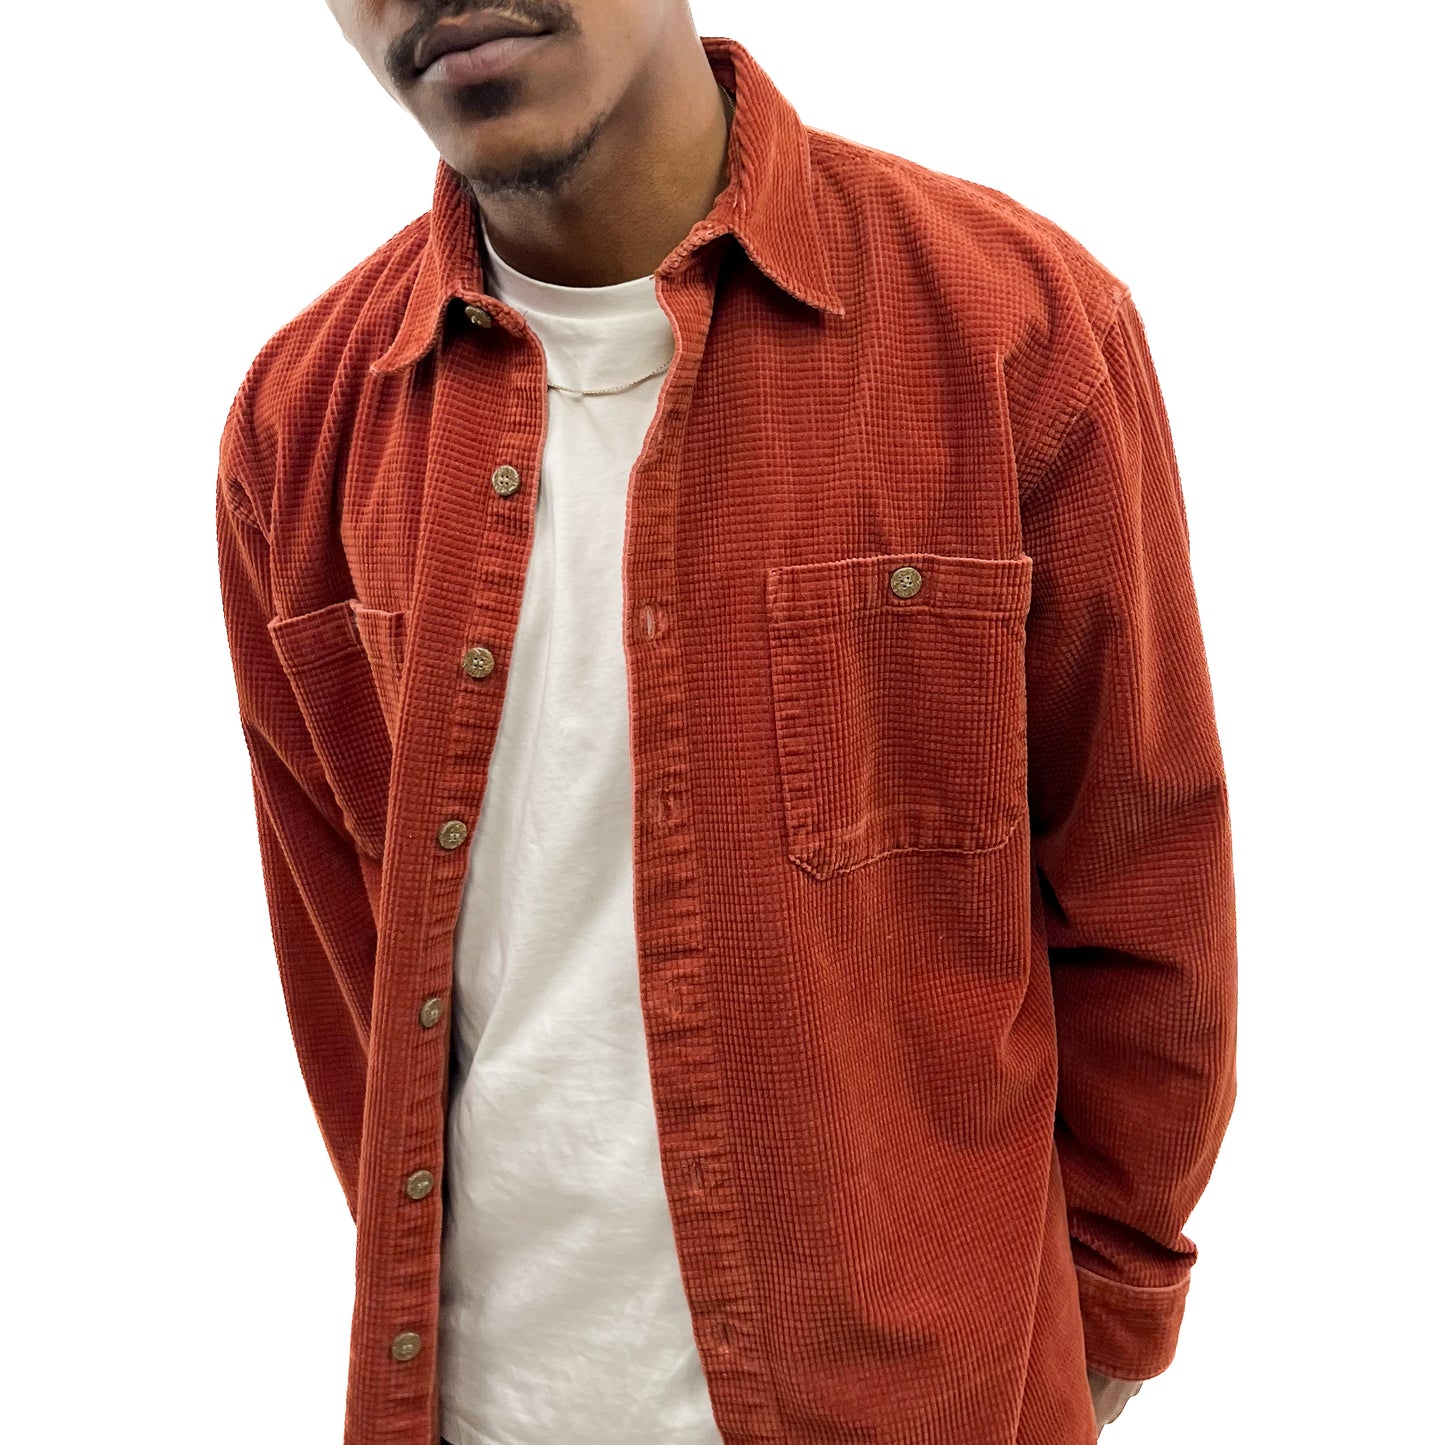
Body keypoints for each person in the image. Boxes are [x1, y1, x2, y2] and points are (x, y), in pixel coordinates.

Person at [214, 4, 1238, 1443]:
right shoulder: (301, 422)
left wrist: (1105, 1317)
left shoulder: (1012, 327)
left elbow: (1146, 880)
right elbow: (346, 968)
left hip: (916, 1404)